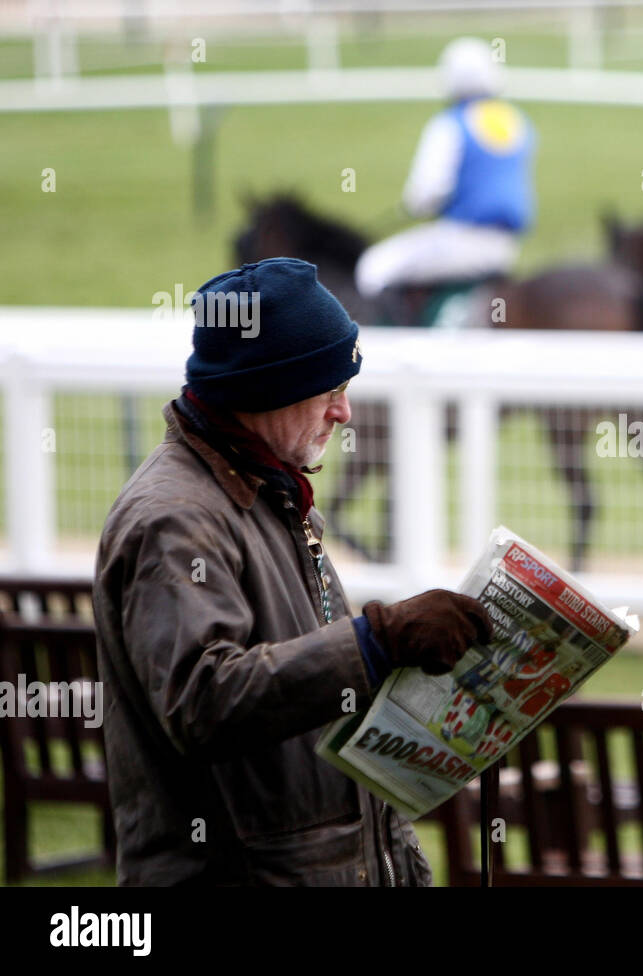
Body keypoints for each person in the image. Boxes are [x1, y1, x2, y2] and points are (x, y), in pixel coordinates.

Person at [93, 257, 492, 885]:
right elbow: (202, 701)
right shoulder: (174, 520)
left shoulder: (265, 486)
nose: (345, 412)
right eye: (328, 389)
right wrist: (376, 640)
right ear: (267, 389)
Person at [355, 36, 535, 316]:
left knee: (374, 266)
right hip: (507, 246)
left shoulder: (450, 123)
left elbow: (428, 192)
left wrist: (414, 206)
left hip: (461, 240)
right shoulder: (516, 121)